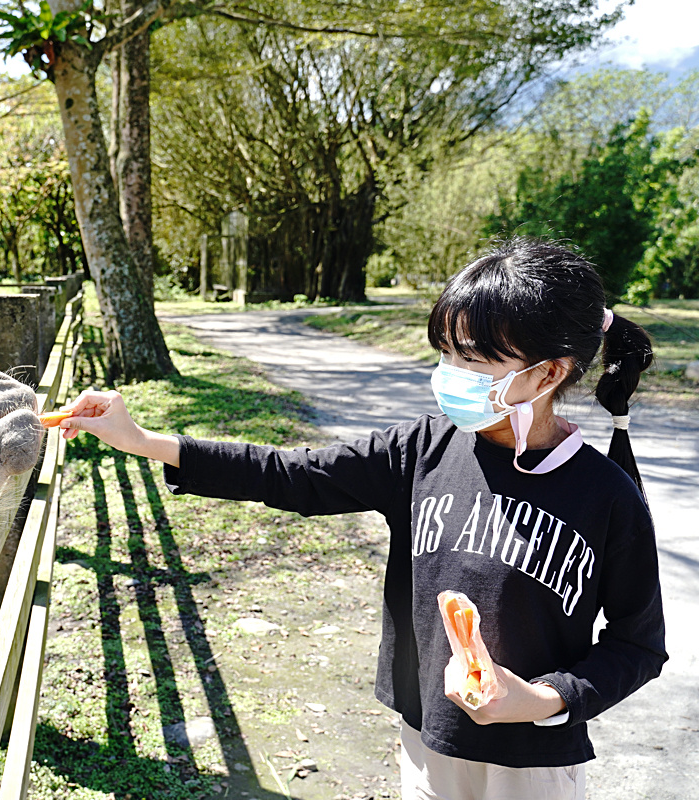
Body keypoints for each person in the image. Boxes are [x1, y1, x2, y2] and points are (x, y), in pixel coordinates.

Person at [53, 239, 667, 800]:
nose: (449, 375)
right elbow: (292, 474)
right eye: (445, 353)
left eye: (474, 360)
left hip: (533, 764)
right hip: (425, 736)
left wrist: (538, 699)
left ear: (550, 372)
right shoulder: (422, 449)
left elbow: (638, 646)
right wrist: (146, 440)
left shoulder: (608, 497)